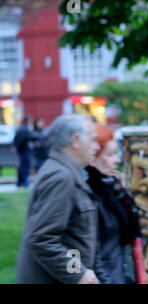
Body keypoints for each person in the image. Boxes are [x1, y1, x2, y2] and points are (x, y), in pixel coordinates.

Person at [16, 114, 100, 284]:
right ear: (75, 140)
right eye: (93, 139)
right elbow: (42, 239)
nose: (97, 146)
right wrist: (78, 273)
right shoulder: (61, 176)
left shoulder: (65, 172)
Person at [85, 124, 145, 284]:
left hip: (120, 274)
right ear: (92, 157)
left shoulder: (109, 189)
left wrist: (121, 192)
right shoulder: (89, 195)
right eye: (110, 155)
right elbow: (90, 255)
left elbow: (133, 231)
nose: (116, 160)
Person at [13, 115, 33, 187]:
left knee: (22, 166)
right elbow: (20, 140)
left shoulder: (22, 128)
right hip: (25, 150)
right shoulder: (25, 129)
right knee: (25, 166)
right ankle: (25, 182)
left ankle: (20, 182)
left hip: (22, 150)